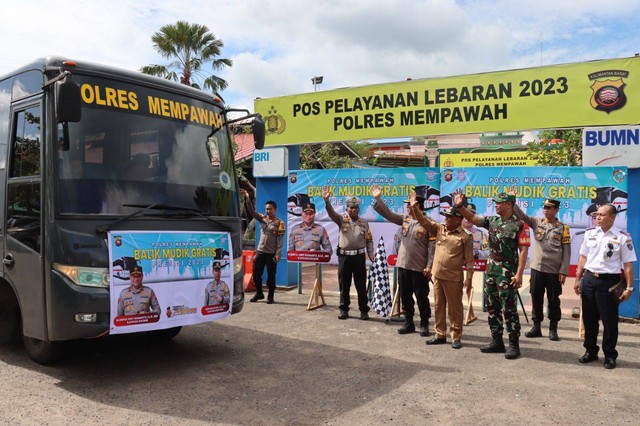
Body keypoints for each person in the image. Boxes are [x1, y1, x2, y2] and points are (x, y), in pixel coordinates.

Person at [454, 189, 530, 359]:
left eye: (499, 203)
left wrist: (519, 275)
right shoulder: (492, 221)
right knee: (492, 307)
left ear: (509, 205)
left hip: (507, 274)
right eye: (495, 203)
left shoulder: (520, 225)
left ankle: (513, 344)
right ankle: (497, 341)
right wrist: (460, 206)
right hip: (491, 272)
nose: (496, 205)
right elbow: (473, 218)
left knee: (509, 309)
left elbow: (523, 251)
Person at [574, 204, 636, 369]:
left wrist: (629, 288)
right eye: (596, 215)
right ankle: (590, 351)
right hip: (589, 279)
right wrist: (578, 278)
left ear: (612, 217)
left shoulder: (622, 237)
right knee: (589, 318)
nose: (598, 218)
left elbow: (628, 265)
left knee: (609, 321)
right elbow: (582, 257)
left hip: (608, 282)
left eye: (602, 215)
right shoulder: (590, 233)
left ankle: (609, 355)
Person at [410, 194, 474, 348]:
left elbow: (470, 261)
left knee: (455, 309)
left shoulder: (465, 236)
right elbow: (424, 221)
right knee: (438, 306)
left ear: (458, 219)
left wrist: (469, 278)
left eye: (449, 217)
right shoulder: (439, 229)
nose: (446, 219)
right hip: (438, 276)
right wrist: (414, 207)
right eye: (445, 216)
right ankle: (440, 334)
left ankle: (456, 336)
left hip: (453, 278)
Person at [371, 184, 435, 336]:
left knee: (421, 296)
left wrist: (429, 266)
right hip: (403, 265)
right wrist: (378, 198)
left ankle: (425, 323)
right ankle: (409, 322)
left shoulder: (429, 223)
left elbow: (432, 248)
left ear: (417, 205)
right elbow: (388, 214)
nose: (407, 207)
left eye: (410, 204)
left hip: (420, 268)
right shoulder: (405, 219)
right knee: (405, 296)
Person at [511, 194, 571, 341]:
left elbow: (567, 252)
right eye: (545, 208)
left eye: (550, 208)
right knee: (536, 297)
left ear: (556, 210)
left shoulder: (563, 228)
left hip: (553, 270)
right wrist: (513, 201)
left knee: (553, 300)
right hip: (537, 268)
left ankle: (553, 328)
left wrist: (563, 271)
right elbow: (522, 215)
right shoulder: (537, 223)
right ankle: (536, 327)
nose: (546, 210)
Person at [322, 187, 374, 320]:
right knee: (344, 285)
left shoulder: (364, 223)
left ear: (358, 209)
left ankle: (364, 310)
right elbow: (331, 213)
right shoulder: (341, 220)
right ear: (347, 209)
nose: (353, 210)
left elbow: (369, 239)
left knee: (360, 285)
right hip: (344, 257)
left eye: (356, 208)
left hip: (359, 258)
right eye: (351, 208)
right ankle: (344, 309)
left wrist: (371, 253)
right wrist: (327, 201)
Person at [242, 189, 285, 304]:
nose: (268, 211)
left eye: (270, 209)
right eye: (266, 209)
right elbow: (252, 212)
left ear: (275, 210)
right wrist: (247, 199)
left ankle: (270, 296)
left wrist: (278, 253)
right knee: (256, 274)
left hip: (271, 253)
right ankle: (259, 293)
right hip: (260, 251)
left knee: (271, 277)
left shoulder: (279, 223)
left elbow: (280, 240)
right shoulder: (262, 218)